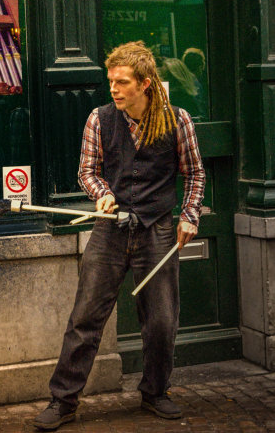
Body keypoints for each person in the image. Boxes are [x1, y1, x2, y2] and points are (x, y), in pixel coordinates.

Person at [33, 41, 205, 430]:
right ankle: (63, 401)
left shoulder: (178, 121)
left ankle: (155, 392)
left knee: (161, 320)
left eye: (121, 81)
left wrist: (189, 216)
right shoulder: (100, 118)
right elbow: (87, 171)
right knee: (85, 319)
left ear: (145, 84)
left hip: (158, 229)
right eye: (111, 80)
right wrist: (102, 194)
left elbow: (194, 173)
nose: (113, 87)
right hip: (110, 230)